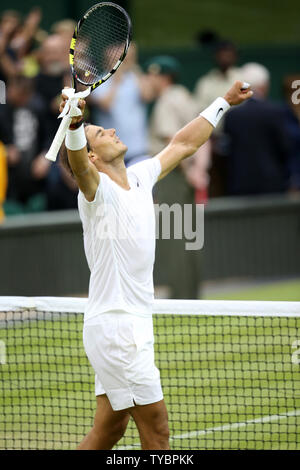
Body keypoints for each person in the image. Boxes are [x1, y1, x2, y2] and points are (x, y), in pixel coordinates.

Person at [58, 80, 252, 450]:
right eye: (101, 132)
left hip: (126, 326)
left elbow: (183, 143)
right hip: (118, 331)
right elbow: (80, 168)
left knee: (108, 431)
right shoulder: (95, 193)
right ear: (93, 154)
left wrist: (223, 102)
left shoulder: (140, 176)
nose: (112, 129)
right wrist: (74, 127)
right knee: (158, 431)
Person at [146, 55, 209, 299]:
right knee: (191, 237)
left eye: (152, 75)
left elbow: (173, 143)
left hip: (173, 174)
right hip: (188, 174)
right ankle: (192, 296)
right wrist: (199, 172)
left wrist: (189, 172)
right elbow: (204, 138)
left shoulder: (166, 102)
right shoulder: (185, 97)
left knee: (174, 237)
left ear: (162, 77)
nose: (149, 80)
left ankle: (182, 298)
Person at [223, 63, 291, 196]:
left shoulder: (231, 115)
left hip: (239, 183)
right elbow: (285, 146)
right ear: (264, 85)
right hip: (272, 183)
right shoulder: (276, 112)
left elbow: (226, 148)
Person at [90, 42, 154, 167]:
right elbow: (106, 105)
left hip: (138, 149)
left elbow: (147, 95)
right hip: (110, 151)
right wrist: (115, 81)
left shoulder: (136, 77)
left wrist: (134, 67)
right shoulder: (97, 82)